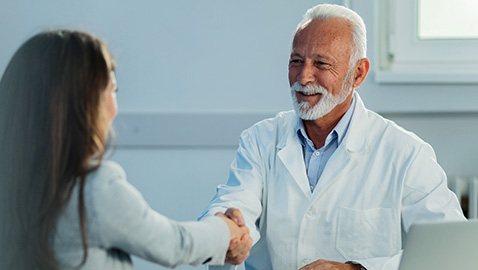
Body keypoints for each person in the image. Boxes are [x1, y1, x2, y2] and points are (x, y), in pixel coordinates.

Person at [199, 4, 466, 270]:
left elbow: (453, 252)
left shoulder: (406, 154)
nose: (303, 77)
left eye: (321, 64)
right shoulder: (260, 140)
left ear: (358, 73)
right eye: (296, 61)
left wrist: (357, 269)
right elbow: (233, 205)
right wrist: (225, 233)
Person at [0, 30, 252, 270]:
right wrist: (225, 230)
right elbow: (174, 244)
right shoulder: (92, 187)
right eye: (113, 90)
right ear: (85, 104)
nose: (114, 105)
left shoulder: (13, 184)